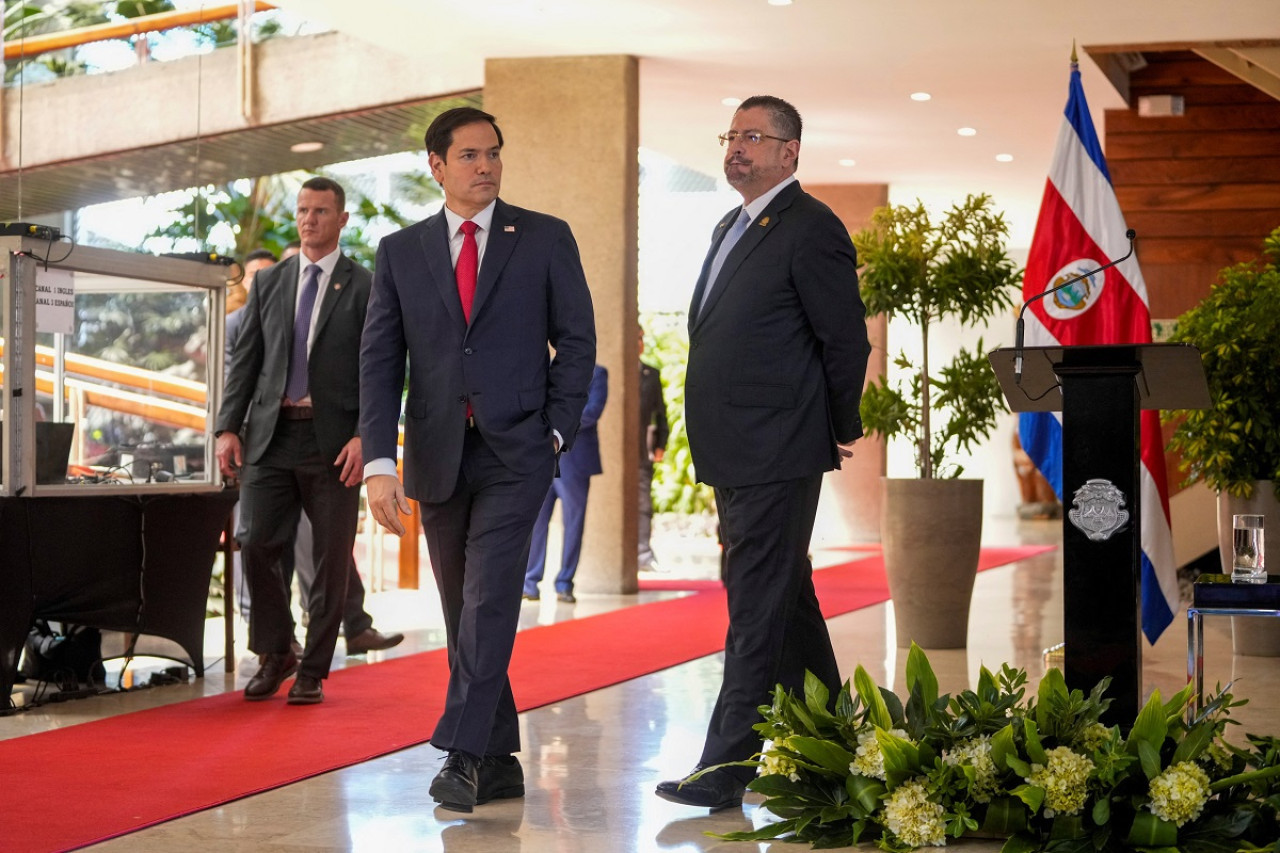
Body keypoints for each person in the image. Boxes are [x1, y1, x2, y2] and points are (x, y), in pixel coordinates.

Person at [360, 107, 596, 813]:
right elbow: (380, 360)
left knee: (491, 597)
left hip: (518, 449)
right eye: (469, 155)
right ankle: (498, 759)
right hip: (437, 453)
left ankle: (461, 752)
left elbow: (576, 341)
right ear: (436, 165)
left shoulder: (545, 237)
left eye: (493, 152)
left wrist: (556, 430)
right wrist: (379, 459)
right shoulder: (400, 252)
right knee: (464, 605)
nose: (486, 166)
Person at [655, 95, 871, 810]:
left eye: (755, 136)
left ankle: (726, 766)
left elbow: (845, 339)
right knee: (786, 597)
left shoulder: (811, 228)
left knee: (753, 604)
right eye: (732, 135)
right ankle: (845, 751)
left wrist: (838, 424)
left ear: (791, 152)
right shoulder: (731, 223)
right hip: (738, 446)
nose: (738, 147)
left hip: (779, 445)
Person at [216, 176, 371, 706]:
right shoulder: (270, 282)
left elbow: (382, 369)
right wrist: (226, 427)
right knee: (256, 542)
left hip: (334, 443)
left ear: (342, 220)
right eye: (304, 210)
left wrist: (365, 436)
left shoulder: (366, 286)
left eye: (321, 211)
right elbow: (247, 362)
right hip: (270, 435)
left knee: (329, 559)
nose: (309, 219)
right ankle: (277, 650)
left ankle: (313, 671)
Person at [523, 363, 608, 603]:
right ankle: (530, 582)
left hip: (576, 458)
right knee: (536, 521)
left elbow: (592, 412)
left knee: (573, 523)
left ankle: (564, 582)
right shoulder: (542, 369)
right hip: (542, 457)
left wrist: (557, 428)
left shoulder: (597, 372)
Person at [637, 326, 669, 571]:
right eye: (636, 338)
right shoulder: (611, 372)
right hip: (615, 454)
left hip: (641, 451)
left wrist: (660, 445)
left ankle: (643, 555)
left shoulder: (651, 374)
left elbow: (661, 414)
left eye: (641, 338)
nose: (640, 342)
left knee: (643, 504)